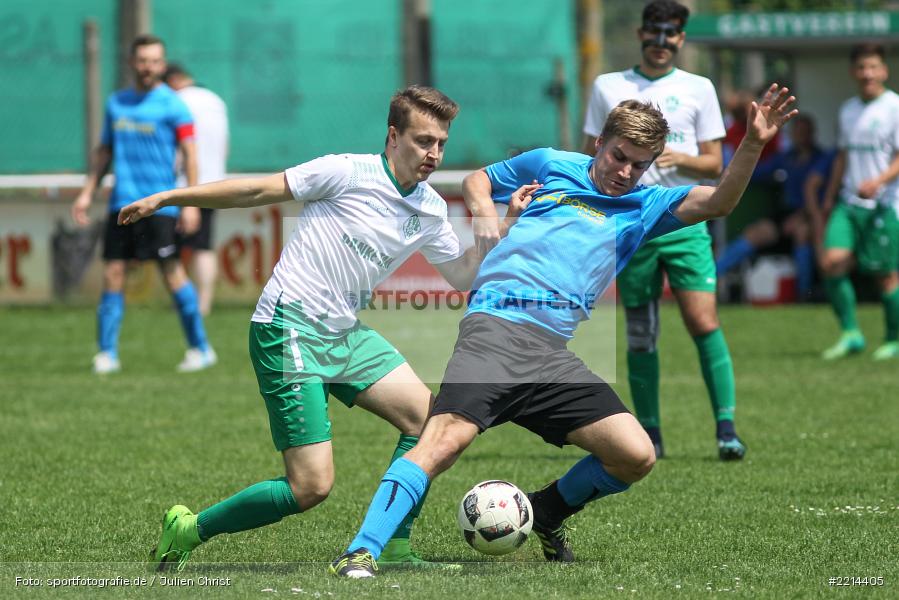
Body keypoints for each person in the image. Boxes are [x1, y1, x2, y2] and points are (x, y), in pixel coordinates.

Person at [329, 86, 798, 578]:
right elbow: (477, 181)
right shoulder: (552, 163)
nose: (625, 172)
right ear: (600, 143)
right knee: (443, 443)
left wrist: (752, 144)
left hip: (551, 354)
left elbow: (720, 202)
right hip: (495, 330)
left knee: (635, 455)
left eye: (639, 165)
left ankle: (547, 512)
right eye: (619, 156)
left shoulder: (645, 206)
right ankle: (362, 550)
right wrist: (487, 214)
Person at [119, 85, 534, 571]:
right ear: (393, 135)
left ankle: (395, 544)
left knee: (430, 423)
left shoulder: (428, 208)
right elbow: (255, 190)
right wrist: (169, 196)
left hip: (344, 333)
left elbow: (463, 274)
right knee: (310, 487)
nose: (434, 154)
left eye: (441, 143)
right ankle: (189, 528)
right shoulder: (344, 171)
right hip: (288, 327)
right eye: (424, 141)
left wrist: (504, 227)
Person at [581, 0, 743, 460]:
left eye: (670, 34)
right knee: (640, 330)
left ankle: (726, 429)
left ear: (681, 38)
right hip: (630, 222)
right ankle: (650, 433)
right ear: (640, 33)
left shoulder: (699, 87)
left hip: (683, 217)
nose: (660, 42)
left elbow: (715, 162)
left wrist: (680, 159)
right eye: (653, 33)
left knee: (702, 319)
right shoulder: (608, 86)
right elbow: (591, 154)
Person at [72, 34, 215, 374]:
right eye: (142, 60)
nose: (148, 67)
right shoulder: (116, 103)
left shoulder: (175, 105)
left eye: (154, 61)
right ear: (131, 62)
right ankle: (107, 354)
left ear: (162, 65)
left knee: (171, 272)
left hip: (160, 204)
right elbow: (104, 152)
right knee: (113, 272)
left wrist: (190, 202)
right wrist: (87, 191)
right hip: (121, 203)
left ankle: (200, 347)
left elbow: (190, 155)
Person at [818, 43, 899, 361]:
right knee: (832, 262)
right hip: (848, 202)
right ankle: (851, 333)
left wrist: (879, 182)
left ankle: (893, 338)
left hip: (885, 204)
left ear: (884, 71)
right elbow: (842, 155)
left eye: (873, 67)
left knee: (886, 275)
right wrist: (829, 195)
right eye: (862, 67)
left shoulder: (894, 106)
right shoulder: (848, 109)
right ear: (854, 72)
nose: (867, 73)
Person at [715, 114, 826, 301]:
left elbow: (824, 197)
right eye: (797, 131)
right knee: (754, 233)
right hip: (786, 214)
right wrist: (729, 168)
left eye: (805, 131)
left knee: (802, 232)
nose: (801, 135)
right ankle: (708, 279)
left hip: (814, 216)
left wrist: (803, 215)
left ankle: (802, 296)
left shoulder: (822, 159)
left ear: (812, 133)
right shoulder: (785, 157)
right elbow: (755, 172)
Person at [165, 63, 230, 316]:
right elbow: (225, 148)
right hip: (214, 181)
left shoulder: (176, 101)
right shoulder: (216, 101)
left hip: (183, 183)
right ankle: (203, 304)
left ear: (172, 80)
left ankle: (184, 302)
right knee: (203, 245)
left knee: (173, 247)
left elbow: (177, 148)